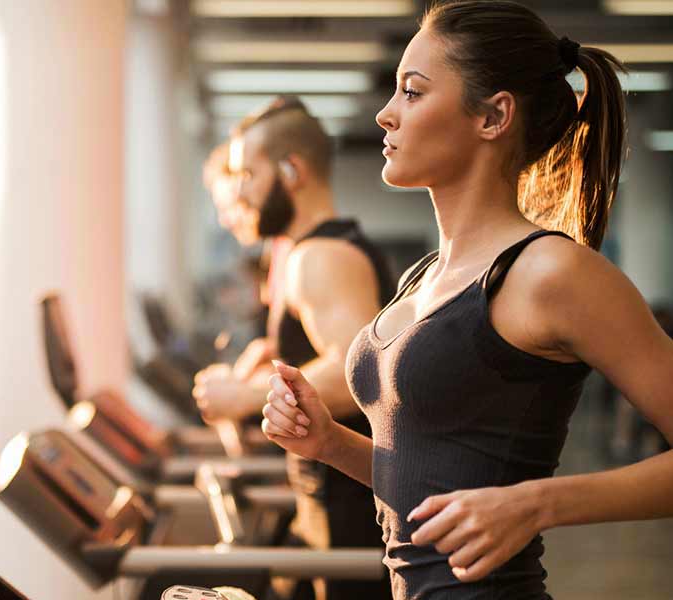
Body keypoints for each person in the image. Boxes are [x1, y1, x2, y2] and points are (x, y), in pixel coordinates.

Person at [261, 1, 673, 598]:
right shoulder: (421, 278)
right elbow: (433, 487)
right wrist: (328, 443)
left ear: (493, 116)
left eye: (412, 92)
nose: (385, 114)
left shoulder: (549, 272)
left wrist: (536, 504)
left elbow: (500, 500)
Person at [194, 97, 396, 600]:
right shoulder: (313, 251)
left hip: (348, 507)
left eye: (249, 173)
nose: (240, 189)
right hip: (325, 499)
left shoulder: (320, 257)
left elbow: (359, 372)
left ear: (292, 170)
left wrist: (245, 398)